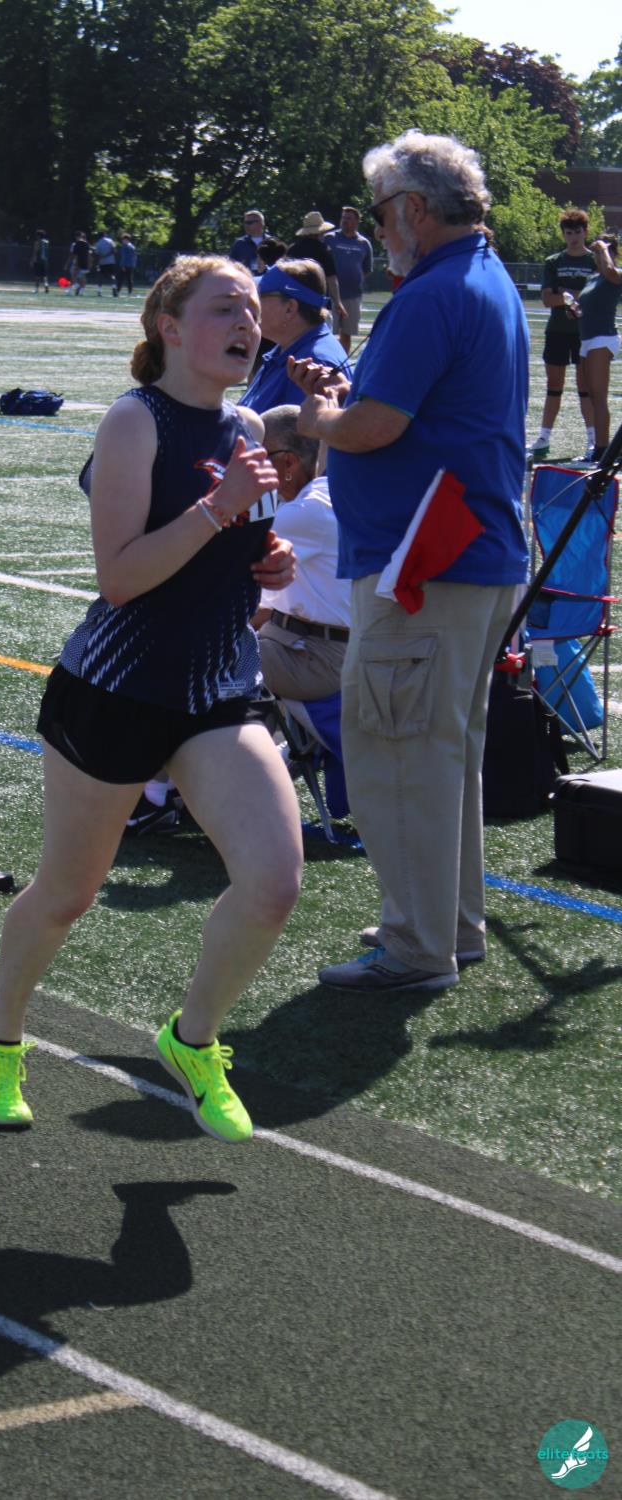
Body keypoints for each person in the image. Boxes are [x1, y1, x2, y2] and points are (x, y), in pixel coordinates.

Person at [0, 254, 303, 1144]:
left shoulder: (248, 423)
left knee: (273, 883)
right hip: (117, 690)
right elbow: (120, 578)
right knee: (67, 895)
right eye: (225, 307)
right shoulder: (133, 421)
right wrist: (221, 510)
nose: (247, 323)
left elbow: (234, 556)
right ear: (170, 327)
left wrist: (268, 563)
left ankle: (192, 1041)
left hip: (217, 690)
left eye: (253, 310)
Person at [293, 129, 529, 991]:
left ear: (416, 209)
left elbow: (374, 426)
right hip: (465, 553)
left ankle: (417, 946)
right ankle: (444, 926)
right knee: (439, 754)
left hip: (422, 564)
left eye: (384, 211)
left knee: (397, 752)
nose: (377, 227)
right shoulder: (484, 278)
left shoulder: (433, 292)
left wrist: (317, 420)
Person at [255, 405, 350, 703]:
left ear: (288, 462)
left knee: (197, 656)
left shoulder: (303, 514)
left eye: (258, 457)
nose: (249, 467)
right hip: (309, 642)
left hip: (316, 658)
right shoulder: (327, 492)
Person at [529, 210, 598, 462]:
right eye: (568, 233)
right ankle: (543, 438)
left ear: (585, 232)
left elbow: (596, 297)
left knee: (585, 388)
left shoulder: (594, 261)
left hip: (585, 332)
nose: (573, 237)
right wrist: (575, 296)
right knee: (554, 385)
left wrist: (566, 294)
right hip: (557, 331)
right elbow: (548, 299)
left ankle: (593, 441)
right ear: (563, 234)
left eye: (577, 232)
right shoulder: (553, 261)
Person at [240, 259, 351, 415]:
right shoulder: (284, 350)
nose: (252, 306)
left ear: (289, 308)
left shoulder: (314, 366)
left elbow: (296, 430)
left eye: (259, 297)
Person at [575, 234, 621, 467]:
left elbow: (610, 269)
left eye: (602, 252)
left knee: (599, 397)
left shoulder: (615, 274)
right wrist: (574, 311)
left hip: (602, 338)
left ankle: (603, 451)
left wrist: (603, 247)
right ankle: (598, 447)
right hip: (587, 338)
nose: (598, 256)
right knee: (591, 396)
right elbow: (585, 306)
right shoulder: (592, 278)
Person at [323, 207, 373, 353]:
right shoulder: (330, 238)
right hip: (330, 295)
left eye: (349, 218)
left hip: (353, 295)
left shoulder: (363, 243)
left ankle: (343, 360)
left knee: (347, 332)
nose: (345, 221)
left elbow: (367, 269)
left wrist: (355, 281)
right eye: (343, 217)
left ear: (357, 221)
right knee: (328, 331)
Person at [286, 211, 346, 327]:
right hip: (319, 303)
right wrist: (338, 302)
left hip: (296, 304)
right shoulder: (324, 250)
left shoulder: (293, 250)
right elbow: (331, 278)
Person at [92, 230, 117, 296]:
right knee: (112, 275)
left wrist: (97, 262)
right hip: (111, 261)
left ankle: (99, 291)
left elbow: (97, 254)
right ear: (104, 235)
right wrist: (107, 255)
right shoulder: (110, 241)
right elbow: (114, 250)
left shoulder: (98, 243)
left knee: (100, 276)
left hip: (102, 262)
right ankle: (114, 288)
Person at [66, 230, 90, 295]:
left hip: (78, 262)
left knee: (76, 276)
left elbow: (74, 255)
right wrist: (89, 263)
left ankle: (75, 287)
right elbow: (89, 255)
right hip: (84, 262)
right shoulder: (86, 244)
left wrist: (74, 263)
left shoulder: (77, 244)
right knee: (82, 277)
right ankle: (80, 290)